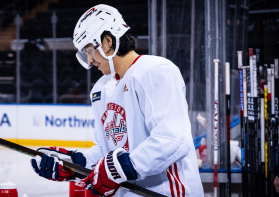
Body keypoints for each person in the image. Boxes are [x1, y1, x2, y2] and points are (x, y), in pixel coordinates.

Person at [31, 4, 203, 197]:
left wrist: (122, 167)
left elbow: (171, 139)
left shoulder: (155, 71)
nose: (89, 61)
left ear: (107, 41)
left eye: (89, 50)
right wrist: (75, 164)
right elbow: (106, 151)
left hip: (167, 192)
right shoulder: (100, 89)